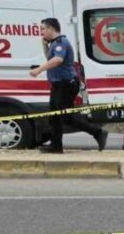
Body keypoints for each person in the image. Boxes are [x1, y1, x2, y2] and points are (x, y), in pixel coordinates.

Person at [31, 17, 107, 154]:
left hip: (66, 85)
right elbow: (49, 57)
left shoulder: (61, 42)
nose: (41, 31)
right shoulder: (54, 43)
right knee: (54, 116)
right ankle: (56, 146)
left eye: (42, 28)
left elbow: (57, 60)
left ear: (50, 28)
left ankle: (98, 132)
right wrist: (44, 45)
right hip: (58, 85)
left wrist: (39, 70)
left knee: (65, 116)